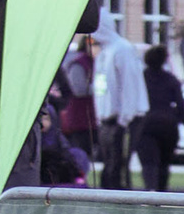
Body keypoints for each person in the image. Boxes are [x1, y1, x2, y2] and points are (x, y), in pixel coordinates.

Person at [91, 12, 147, 187]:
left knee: (119, 168)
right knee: (108, 166)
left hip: (123, 121)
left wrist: (125, 119)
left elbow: (129, 86)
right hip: (107, 120)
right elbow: (101, 88)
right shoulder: (104, 52)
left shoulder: (122, 49)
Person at [133, 43, 184, 190]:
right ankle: (162, 193)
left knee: (149, 164)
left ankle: (150, 191)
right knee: (164, 164)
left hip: (146, 125)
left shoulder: (141, 79)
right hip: (168, 126)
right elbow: (181, 105)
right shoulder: (171, 80)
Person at [56, 35, 97, 171]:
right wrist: (100, 89)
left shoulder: (96, 62)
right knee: (81, 151)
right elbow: (78, 89)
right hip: (80, 117)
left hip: (93, 117)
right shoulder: (78, 64)